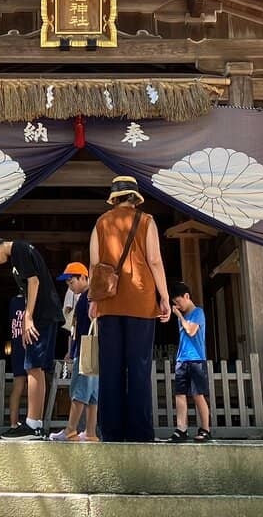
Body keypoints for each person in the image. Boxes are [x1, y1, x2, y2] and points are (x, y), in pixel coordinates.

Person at [89, 175, 171, 442]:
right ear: (135, 198)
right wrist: (164, 296)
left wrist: (93, 300)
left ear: (114, 198)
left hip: (108, 303)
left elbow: (94, 264)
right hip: (141, 301)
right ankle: (140, 433)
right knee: (138, 368)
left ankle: (111, 432)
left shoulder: (101, 223)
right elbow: (155, 260)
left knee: (110, 367)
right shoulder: (146, 221)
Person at [0, 235, 63, 440]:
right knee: (37, 368)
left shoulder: (19, 250)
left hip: (41, 315)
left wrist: (28, 317)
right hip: (47, 313)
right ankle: (36, 424)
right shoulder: (21, 252)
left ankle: (32, 424)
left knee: (33, 366)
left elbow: (34, 281)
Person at [49, 261, 99, 442]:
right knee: (92, 395)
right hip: (93, 349)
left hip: (85, 348)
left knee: (79, 390)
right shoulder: (89, 297)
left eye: (72, 282)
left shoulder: (88, 297)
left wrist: (74, 350)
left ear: (83, 277)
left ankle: (70, 430)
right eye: (68, 283)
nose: (70, 286)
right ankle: (90, 432)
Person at [165, 281, 212, 443]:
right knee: (180, 394)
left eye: (178, 302)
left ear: (187, 296)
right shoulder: (183, 316)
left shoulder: (198, 312)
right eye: (175, 303)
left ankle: (205, 429)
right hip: (182, 358)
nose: (177, 306)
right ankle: (181, 429)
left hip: (196, 358)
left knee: (198, 395)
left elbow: (191, 331)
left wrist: (179, 316)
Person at [4, 293, 27, 436]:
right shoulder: (32, 300)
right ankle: (34, 421)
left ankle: (13, 423)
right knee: (34, 385)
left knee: (18, 385)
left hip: (16, 346)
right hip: (29, 345)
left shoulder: (14, 302)